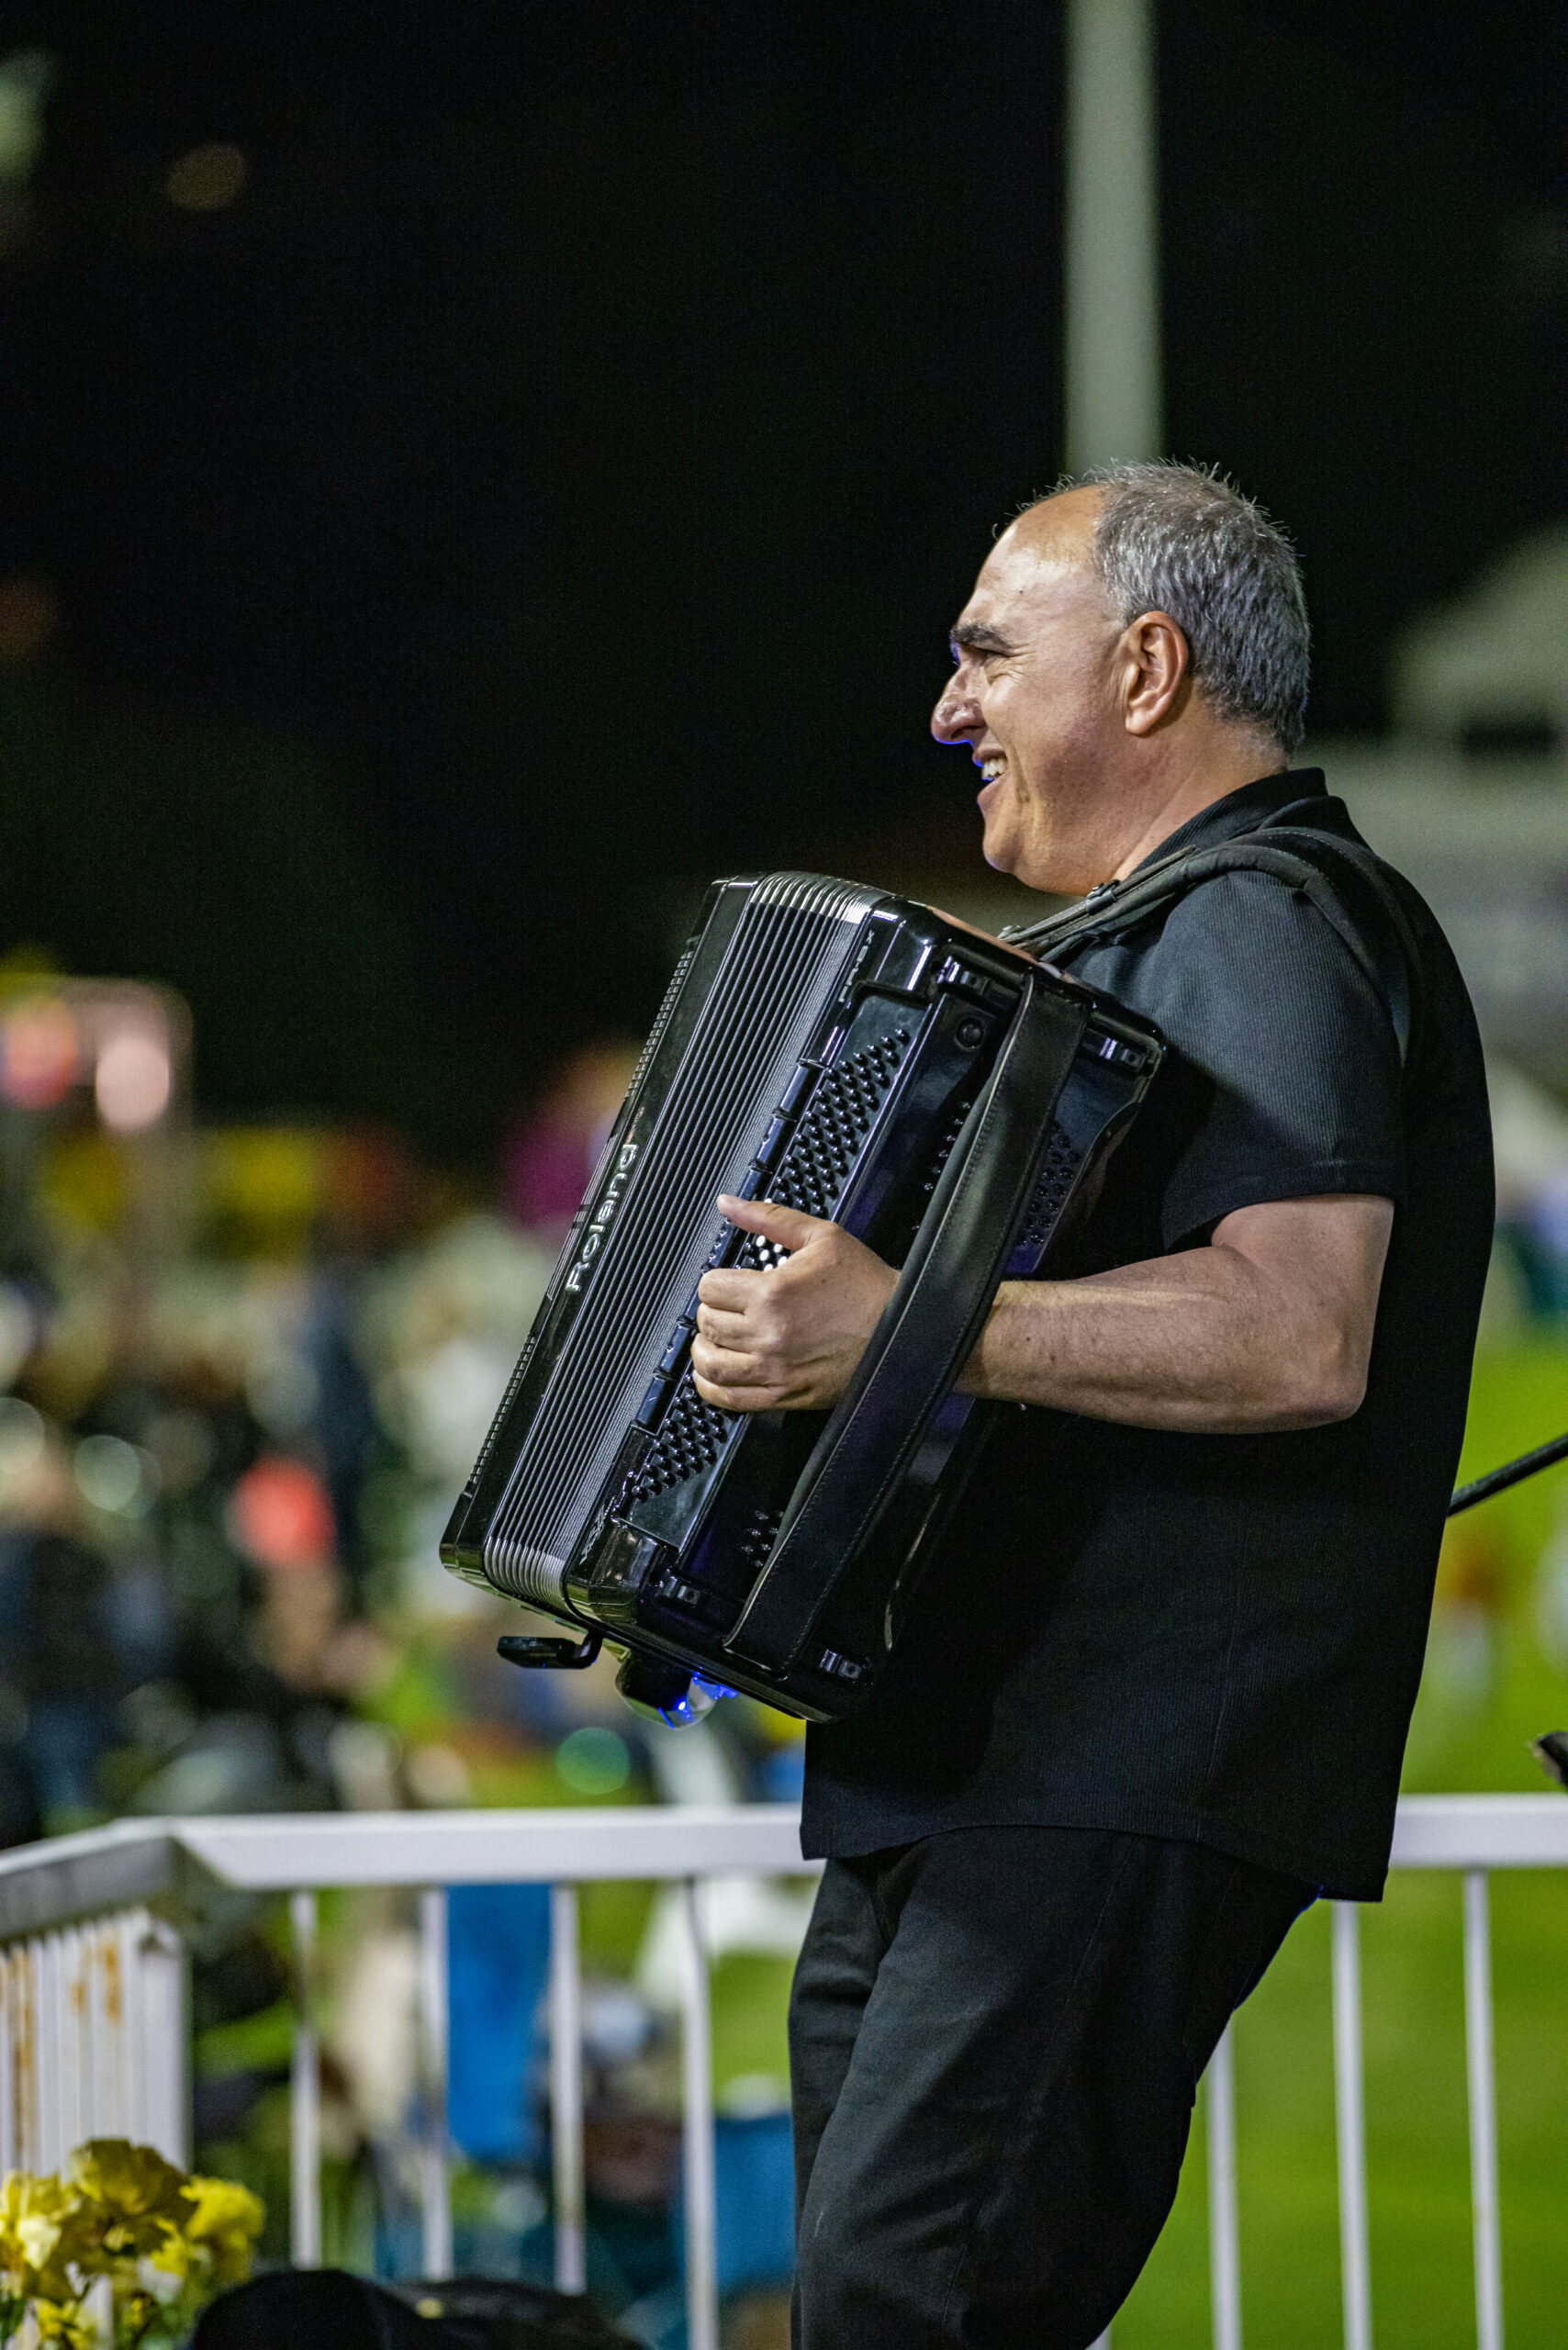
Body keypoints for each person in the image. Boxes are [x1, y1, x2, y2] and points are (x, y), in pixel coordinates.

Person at [689, 464, 1494, 2348]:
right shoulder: (1170, 934)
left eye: (987, 655)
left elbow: (1299, 1330)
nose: (945, 710)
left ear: (1144, 668)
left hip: (1104, 1751)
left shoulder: (1266, 916)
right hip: (983, 1756)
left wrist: (902, 1330)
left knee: (907, 2302)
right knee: (876, 2300)